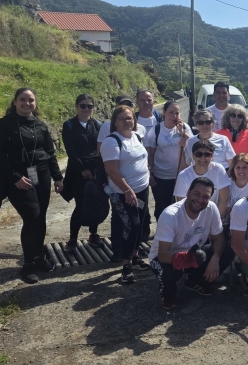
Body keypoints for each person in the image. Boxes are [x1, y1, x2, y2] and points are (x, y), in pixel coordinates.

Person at [0, 87, 64, 284]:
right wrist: (15, 177)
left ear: (35, 103)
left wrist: (57, 177)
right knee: (32, 217)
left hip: (41, 176)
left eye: (30, 100)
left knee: (41, 218)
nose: (27, 103)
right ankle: (29, 264)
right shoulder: (2, 126)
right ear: (15, 102)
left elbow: (50, 153)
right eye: (23, 99)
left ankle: (39, 258)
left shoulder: (40, 125)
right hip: (18, 180)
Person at [149, 177, 234, 309]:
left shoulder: (211, 208)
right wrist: (184, 259)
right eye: (197, 194)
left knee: (229, 247)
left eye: (206, 197)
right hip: (168, 257)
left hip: (194, 254)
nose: (200, 200)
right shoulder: (171, 215)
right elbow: (162, 254)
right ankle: (168, 294)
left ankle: (196, 282)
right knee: (170, 277)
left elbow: (219, 238)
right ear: (188, 192)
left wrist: (215, 258)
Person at [100, 104, 151, 284]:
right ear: (115, 122)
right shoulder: (111, 141)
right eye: (122, 119)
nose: (126, 121)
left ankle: (135, 257)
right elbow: (112, 170)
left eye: (129, 118)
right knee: (133, 225)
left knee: (141, 222)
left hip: (142, 189)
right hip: (123, 192)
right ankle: (126, 265)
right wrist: (127, 190)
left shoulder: (136, 136)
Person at [61, 94, 104, 253]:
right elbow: (71, 151)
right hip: (77, 171)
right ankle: (73, 238)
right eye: (83, 106)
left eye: (90, 106)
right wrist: (82, 169)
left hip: (95, 170)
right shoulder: (69, 125)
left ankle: (93, 234)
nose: (86, 109)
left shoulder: (98, 125)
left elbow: (100, 148)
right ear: (77, 106)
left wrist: (97, 169)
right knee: (80, 205)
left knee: (95, 202)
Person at [143, 100, 193, 221]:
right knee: (162, 206)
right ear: (164, 112)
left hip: (181, 175)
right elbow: (150, 154)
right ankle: (161, 233)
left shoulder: (185, 127)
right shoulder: (155, 131)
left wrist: (182, 132)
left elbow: (193, 144)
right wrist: (150, 173)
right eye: (171, 112)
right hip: (161, 176)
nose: (174, 116)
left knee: (182, 206)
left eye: (177, 113)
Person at [174, 139, 230, 220]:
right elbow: (182, 204)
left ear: (212, 156)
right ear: (193, 156)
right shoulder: (183, 176)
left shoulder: (219, 169)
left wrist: (216, 221)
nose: (203, 158)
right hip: (191, 219)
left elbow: (225, 199)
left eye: (207, 154)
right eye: (199, 154)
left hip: (215, 217)